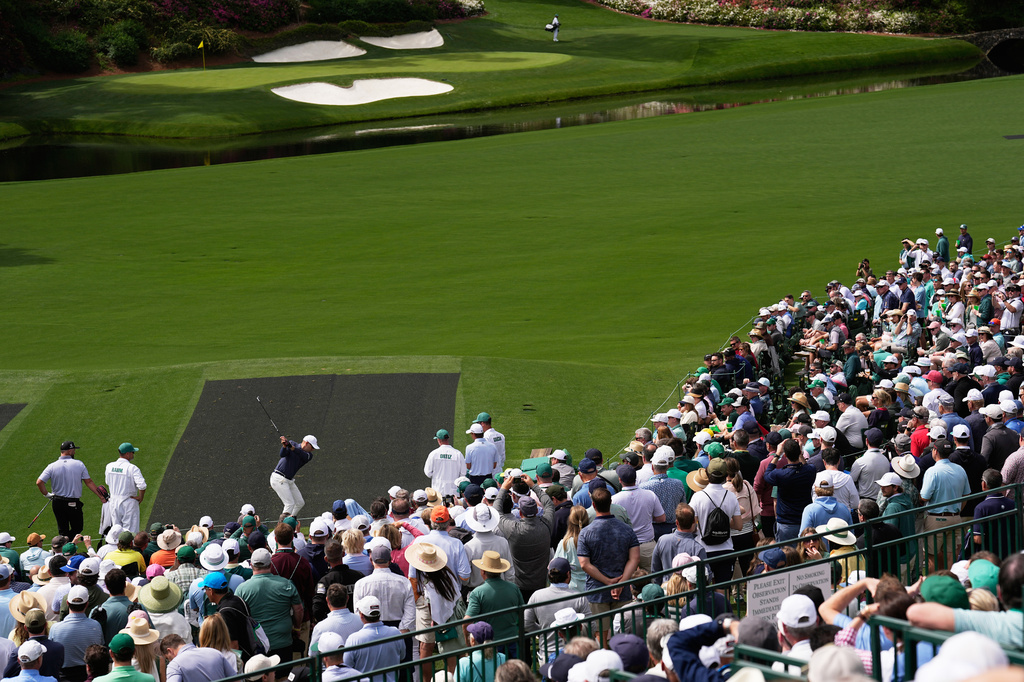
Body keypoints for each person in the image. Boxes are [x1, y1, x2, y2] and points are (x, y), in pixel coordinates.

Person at [576, 487, 639, 643]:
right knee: (622, 636)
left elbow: (584, 564)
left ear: (593, 505)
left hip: (598, 591)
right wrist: (619, 583)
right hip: (620, 590)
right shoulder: (627, 529)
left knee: (601, 637)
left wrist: (609, 583)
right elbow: (635, 559)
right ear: (610, 503)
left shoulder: (585, 532)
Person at [234, 549, 302, 664]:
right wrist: (297, 628)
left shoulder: (242, 589)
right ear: (270, 564)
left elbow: (237, 616)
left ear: (251, 565)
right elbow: (298, 609)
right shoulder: (287, 584)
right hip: (282, 642)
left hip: (256, 645)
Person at [494, 473, 554, 601]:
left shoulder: (514, 529)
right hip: (541, 583)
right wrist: (534, 486)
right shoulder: (546, 523)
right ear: (537, 511)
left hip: (520, 585)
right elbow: (548, 503)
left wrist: (504, 488)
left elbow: (497, 512)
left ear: (520, 512)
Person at [36, 441, 107, 540]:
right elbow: (89, 482)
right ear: (69, 451)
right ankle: (68, 544)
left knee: (62, 530)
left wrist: (47, 494)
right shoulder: (79, 464)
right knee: (77, 527)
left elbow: (39, 482)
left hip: (57, 502)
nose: (75, 452)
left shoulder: (52, 466)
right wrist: (101, 496)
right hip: (72, 503)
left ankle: (63, 546)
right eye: (73, 450)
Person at [687, 460, 743, 583]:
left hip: (704, 550)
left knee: (706, 590)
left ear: (707, 473)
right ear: (725, 475)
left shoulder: (697, 496)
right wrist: (722, 523)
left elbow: (691, 526)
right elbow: (739, 525)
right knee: (723, 589)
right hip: (726, 549)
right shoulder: (731, 496)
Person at [465, 552, 524, 658]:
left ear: (483, 572)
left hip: (490, 644)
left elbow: (466, 621)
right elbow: (522, 612)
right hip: (513, 640)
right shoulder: (514, 588)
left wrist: (468, 643)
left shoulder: (477, 593)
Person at [343, 596, 405, 682]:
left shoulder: (354, 639)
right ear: (379, 614)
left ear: (361, 615)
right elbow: (402, 656)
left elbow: (346, 665)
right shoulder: (395, 633)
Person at [49, 586, 104, 682]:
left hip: (65, 677)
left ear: (67, 603)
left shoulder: (56, 628)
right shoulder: (96, 626)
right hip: (89, 675)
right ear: (87, 604)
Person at [271, 435, 318, 520]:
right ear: (306, 443)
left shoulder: (308, 455)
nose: (313, 450)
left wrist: (291, 447)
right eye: (312, 447)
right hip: (278, 478)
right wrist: (284, 446)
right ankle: (282, 528)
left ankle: (290, 520)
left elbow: (300, 453)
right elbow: (282, 454)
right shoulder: (292, 443)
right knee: (289, 504)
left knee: (300, 502)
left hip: (288, 480)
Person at [104, 444, 146, 535]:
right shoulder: (132, 468)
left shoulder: (109, 466)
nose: (133, 454)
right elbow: (142, 485)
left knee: (116, 531)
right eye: (132, 452)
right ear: (127, 454)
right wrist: (140, 497)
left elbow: (108, 482)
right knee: (131, 532)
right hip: (128, 502)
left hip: (113, 502)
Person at [160, 634, 236, 682]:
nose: (170, 661)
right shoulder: (215, 652)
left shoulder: (174, 665)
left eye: (168, 658)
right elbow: (236, 679)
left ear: (169, 651)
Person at [424, 430, 465, 497]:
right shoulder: (458, 454)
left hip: (438, 491)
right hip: (454, 492)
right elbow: (463, 473)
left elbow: (428, 472)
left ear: (438, 440)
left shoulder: (433, 454)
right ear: (448, 438)